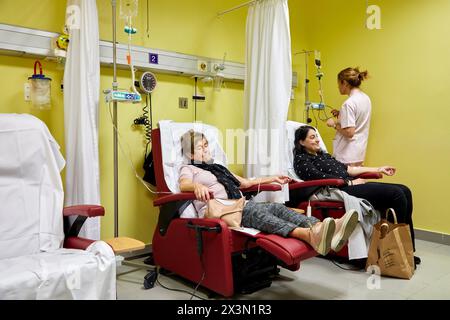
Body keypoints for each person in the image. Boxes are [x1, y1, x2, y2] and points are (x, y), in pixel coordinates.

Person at [178, 129, 359, 256]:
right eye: (201, 147)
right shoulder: (189, 169)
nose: (207, 149)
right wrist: (196, 187)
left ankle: (327, 227)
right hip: (222, 212)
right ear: (191, 154)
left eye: (207, 145)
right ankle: (309, 235)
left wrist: (273, 178)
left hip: (240, 205)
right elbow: (183, 184)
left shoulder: (218, 168)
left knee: (276, 208)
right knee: (260, 213)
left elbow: (246, 183)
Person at [291, 125, 420, 265]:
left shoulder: (324, 155)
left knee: (405, 190)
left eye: (316, 136)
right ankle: (392, 249)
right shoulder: (302, 160)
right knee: (396, 194)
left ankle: (406, 249)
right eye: (312, 137)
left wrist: (379, 169)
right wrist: (349, 183)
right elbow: (317, 177)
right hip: (339, 188)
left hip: (351, 183)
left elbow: (349, 169)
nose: (317, 140)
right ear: (301, 142)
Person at [326, 67, 371, 166]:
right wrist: (341, 114)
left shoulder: (348, 103)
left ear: (345, 83)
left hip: (347, 155)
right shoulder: (365, 98)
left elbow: (349, 132)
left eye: (338, 83)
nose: (338, 87)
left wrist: (334, 124)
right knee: (359, 180)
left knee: (349, 181)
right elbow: (359, 118)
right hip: (358, 153)